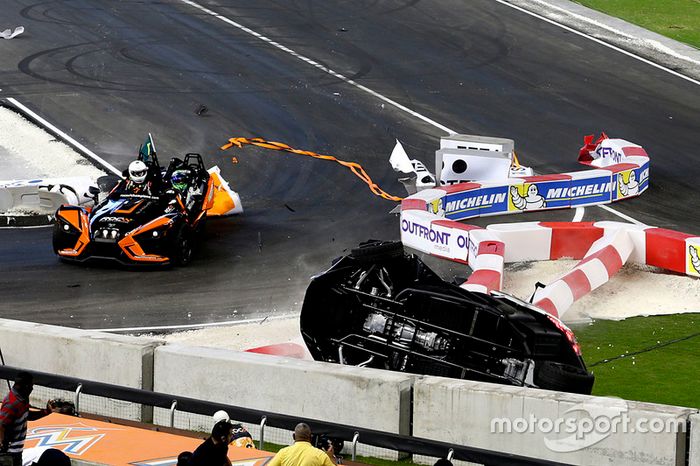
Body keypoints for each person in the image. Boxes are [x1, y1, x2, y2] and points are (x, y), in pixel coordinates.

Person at [0, 372, 56, 466]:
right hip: (9, 453)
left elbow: (27, 415)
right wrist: (2, 444)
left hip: (17, 452)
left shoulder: (23, 399)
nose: (32, 388)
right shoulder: (11, 403)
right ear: (24, 386)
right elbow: (1, 424)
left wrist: (46, 412)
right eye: (31, 385)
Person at [267, 423, 336, 466]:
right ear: (311, 438)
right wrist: (331, 457)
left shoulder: (283, 452)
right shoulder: (320, 455)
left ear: (294, 436)